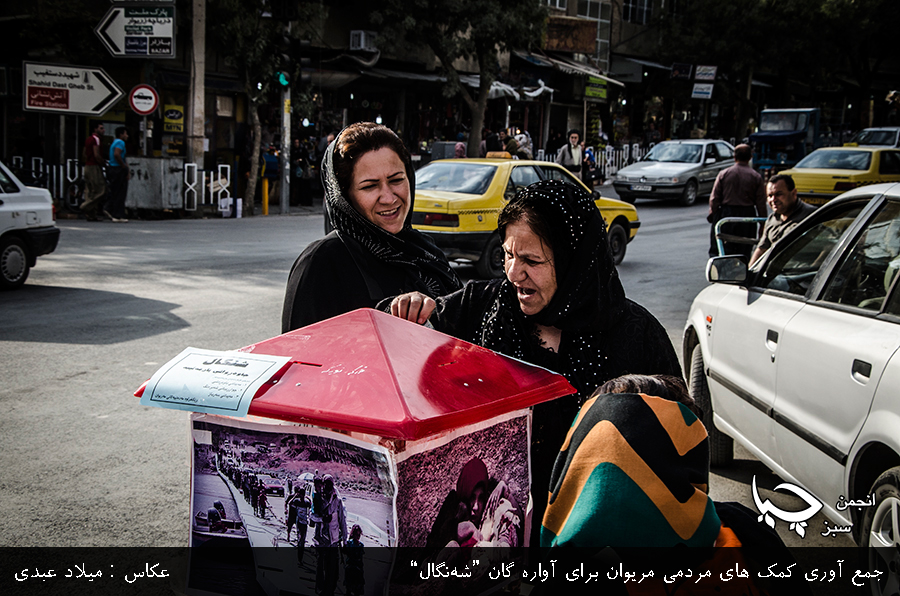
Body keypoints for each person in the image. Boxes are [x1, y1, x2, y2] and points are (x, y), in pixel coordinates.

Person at [386, 179, 681, 544]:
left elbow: (677, 456)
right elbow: (406, 344)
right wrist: (411, 309)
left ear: (575, 262)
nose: (513, 273)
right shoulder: (481, 308)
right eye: (508, 255)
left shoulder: (639, 338)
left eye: (532, 261)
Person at [281, 122, 461, 332]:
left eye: (396, 180)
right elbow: (301, 356)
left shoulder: (425, 251)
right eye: (369, 186)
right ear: (344, 197)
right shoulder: (321, 262)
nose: (388, 197)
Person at [707, 143, 767, 258]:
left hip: (726, 215)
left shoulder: (724, 174)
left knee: (721, 249)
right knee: (744, 250)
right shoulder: (755, 176)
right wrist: (762, 223)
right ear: (750, 157)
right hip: (747, 217)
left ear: (734, 157)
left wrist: (713, 214)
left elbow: (714, 198)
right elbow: (761, 202)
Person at [749, 174, 817, 266]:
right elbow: (762, 249)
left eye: (779, 194)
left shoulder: (812, 216)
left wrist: (814, 271)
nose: (773, 199)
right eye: (770, 195)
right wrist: (750, 274)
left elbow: (827, 247)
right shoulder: (772, 219)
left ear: (793, 193)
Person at [316, 475, 347, 596]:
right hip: (321, 541)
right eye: (326, 483)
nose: (328, 486)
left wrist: (345, 541)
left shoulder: (337, 501)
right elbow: (312, 517)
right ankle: (321, 591)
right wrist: (322, 518)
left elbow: (342, 522)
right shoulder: (318, 499)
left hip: (333, 542)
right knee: (321, 569)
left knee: (332, 570)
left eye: (330, 483)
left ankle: (329, 591)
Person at [79, 122, 107, 221]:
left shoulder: (88, 139)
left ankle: (91, 215)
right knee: (101, 189)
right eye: (101, 128)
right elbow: (97, 154)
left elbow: (84, 153)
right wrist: (102, 163)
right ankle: (85, 206)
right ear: (95, 129)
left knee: (90, 190)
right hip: (94, 166)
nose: (103, 130)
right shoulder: (96, 139)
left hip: (87, 165)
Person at [105, 127, 129, 223]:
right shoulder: (120, 142)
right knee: (120, 192)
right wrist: (123, 166)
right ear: (121, 134)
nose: (127, 136)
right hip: (117, 169)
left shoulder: (114, 142)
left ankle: (115, 212)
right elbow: (117, 154)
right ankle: (117, 214)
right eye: (126, 133)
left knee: (116, 191)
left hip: (113, 168)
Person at [343, 524, 365, 596]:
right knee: (349, 588)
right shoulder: (349, 543)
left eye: (359, 535)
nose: (358, 537)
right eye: (356, 534)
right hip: (350, 567)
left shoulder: (360, 545)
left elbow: (361, 559)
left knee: (357, 589)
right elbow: (345, 551)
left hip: (357, 568)